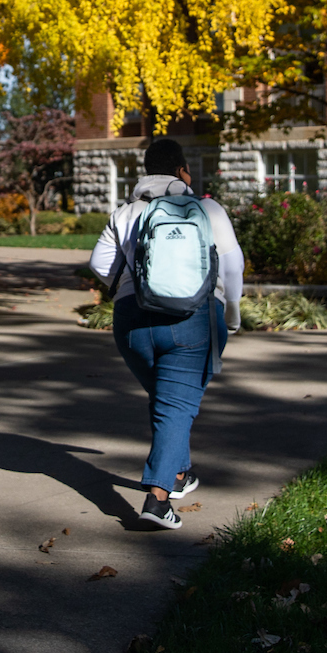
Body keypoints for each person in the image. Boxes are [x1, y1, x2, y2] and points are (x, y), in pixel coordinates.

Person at [89, 136, 244, 530]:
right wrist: (234, 313)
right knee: (175, 405)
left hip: (131, 325)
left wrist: (128, 287)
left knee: (169, 401)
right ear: (182, 172)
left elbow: (99, 265)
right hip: (192, 321)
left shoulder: (124, 213)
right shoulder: (207, 208)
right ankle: (157, 501)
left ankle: (178, 473)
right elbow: (233, 267)